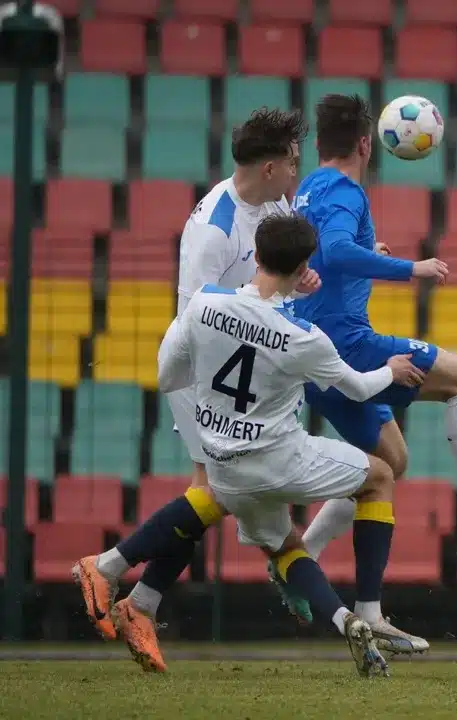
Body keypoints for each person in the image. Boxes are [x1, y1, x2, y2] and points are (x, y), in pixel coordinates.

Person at [75, 214, 424, 676]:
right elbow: (358, 388)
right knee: (379, 476)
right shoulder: (304, 337)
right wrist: (392, 371)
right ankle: (368, 611)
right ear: (303, 270)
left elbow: (166, 377)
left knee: (282, 545)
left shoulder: (204, 303)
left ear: (256, 256)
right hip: (279, 460)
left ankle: (344, 623)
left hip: (223, 464)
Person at [276, 94, 457, 618]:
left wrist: (367, 258)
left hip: (315, 349)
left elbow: (321, 256)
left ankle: (300, 561)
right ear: (364, 143)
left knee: (388, 464)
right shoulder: (347, 192)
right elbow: (331, 250)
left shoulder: (308, 188)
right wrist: (411, 269)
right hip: (347, 345)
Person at [72, 107, 318, 650]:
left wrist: (298, 279)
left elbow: (272, 276)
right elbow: (197, 319)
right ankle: (108, 567)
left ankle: (140, 601)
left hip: (236, 365)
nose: (299, 173)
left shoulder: (274, 203)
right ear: (272, 166)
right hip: (201, 369)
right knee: (218, 493)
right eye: (294, 163)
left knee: (209, 494)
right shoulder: (215, 227)